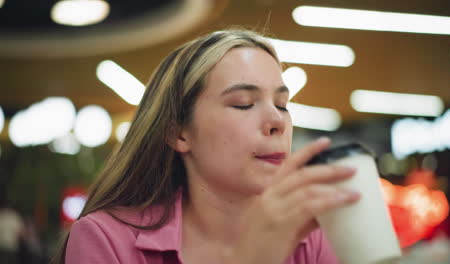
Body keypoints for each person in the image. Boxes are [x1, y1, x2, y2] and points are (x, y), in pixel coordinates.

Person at [53, 29, 361, 264]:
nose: (277, 121)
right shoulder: (105, 239)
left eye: (282, 104)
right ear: (179, 132)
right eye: (243, 104)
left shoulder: (313, 238)